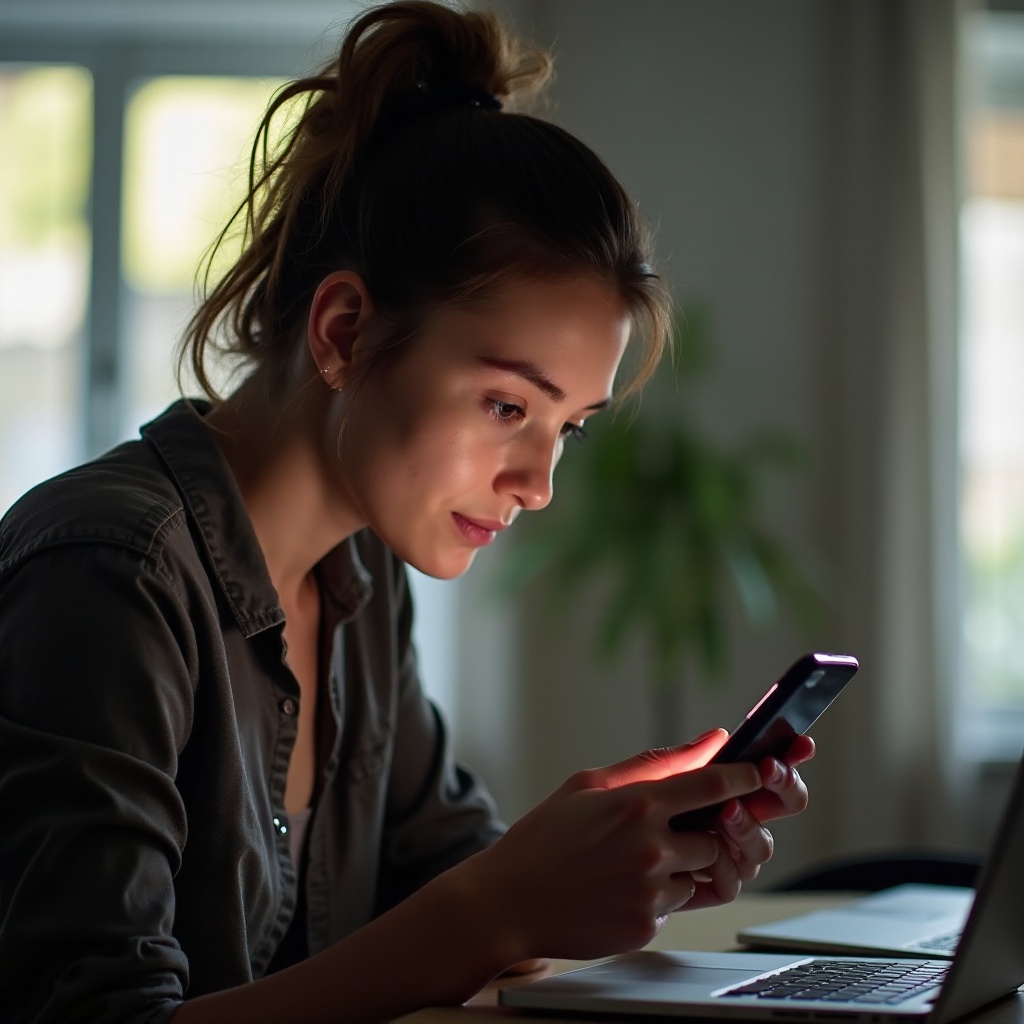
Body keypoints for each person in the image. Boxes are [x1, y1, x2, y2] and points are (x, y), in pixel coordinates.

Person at [0, 2, 815, 1021]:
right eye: (506, 405)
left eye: (566, 426)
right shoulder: (108, 572)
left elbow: (445, 865)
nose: (538, 481)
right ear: (343, 331)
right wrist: (495, 910)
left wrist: (621, 869)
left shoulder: (362, 578)